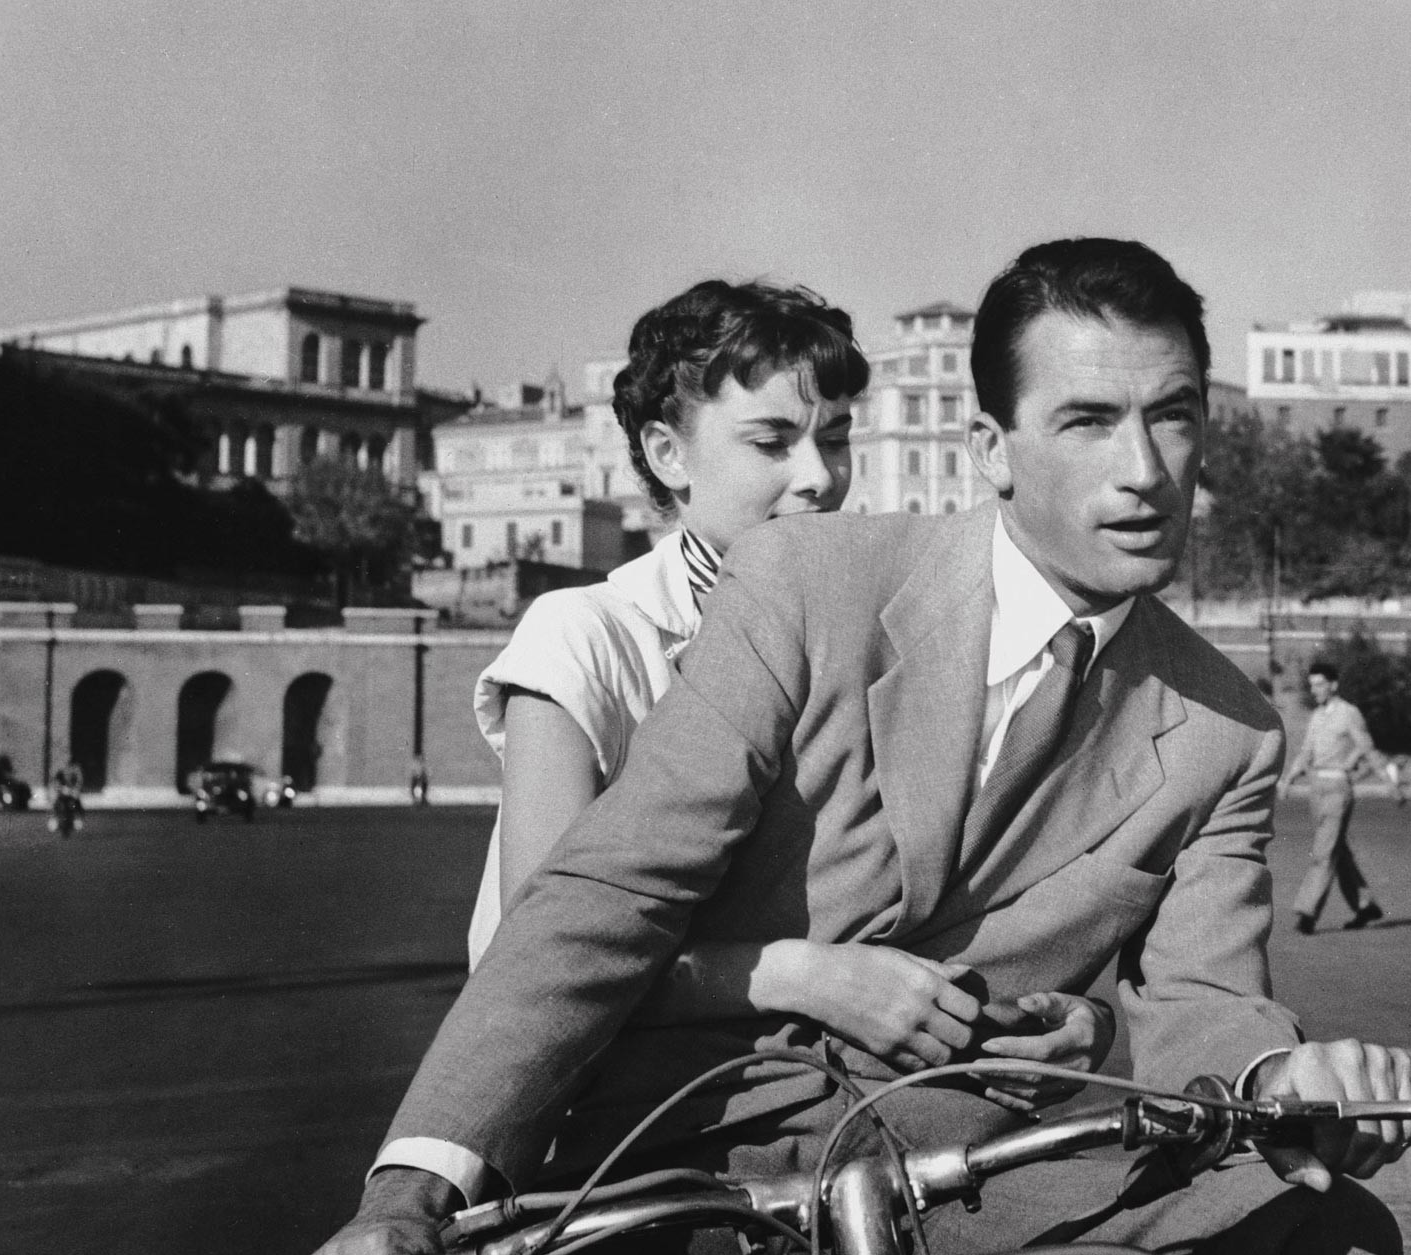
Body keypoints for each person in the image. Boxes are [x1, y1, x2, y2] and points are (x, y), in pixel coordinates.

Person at [285, 239, 1411, 1255]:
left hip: (990, 1163)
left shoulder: (1229, 725)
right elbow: (601, 898)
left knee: (1330, 1254)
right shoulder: (807, 583)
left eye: (1174, 417)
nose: (1144, 469)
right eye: (1089, 420)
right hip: (689, 1149)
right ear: (991, 445)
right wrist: (406, 1198)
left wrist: (1270, 1079)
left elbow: (1212, 999)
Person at [467, 279, 1106, 1099]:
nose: (819, 478)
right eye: (771, 442)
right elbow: (535, 960)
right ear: (668, 454)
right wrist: (805, 977)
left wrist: (1045, 1016)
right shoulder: (585, 634)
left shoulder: (876, 631)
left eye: (834, 440)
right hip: (596, 1134)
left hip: (812, 1116)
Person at [1283, 660, 1404, 933]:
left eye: (1320, 684)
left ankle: (1307, 912)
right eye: (1312, 685)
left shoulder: (1349, 714)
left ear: (1334, 685)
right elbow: (1305, 753)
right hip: (1316, 789)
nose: (1315, 690)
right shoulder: (1317, 717)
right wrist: (1288, 779)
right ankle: (1364, 905)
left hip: (1338, 789)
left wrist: (1390, 784)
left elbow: (1368, 749)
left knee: (1324, 852)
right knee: (1337, 850)